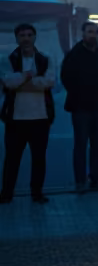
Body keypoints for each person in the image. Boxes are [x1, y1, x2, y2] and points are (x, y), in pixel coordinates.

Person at [1, 23, 56, 204]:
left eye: (29, 35)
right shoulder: (8, 58)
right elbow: (8, 82)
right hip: (15, 118)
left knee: (39, 158)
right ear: (17, 38)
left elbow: (49, 81)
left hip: (40, 117)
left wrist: (21, 83)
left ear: (34, 37)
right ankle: (7, 193)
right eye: (22, 35)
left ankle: (37, 193)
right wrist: (28, 76)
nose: (26, 38)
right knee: (12, 158)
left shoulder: (45, 59)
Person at [61, 21, 98, 192]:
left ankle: (95, 179)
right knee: (81, 144)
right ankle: (80, 181)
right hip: (80, 107)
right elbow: (66, 78)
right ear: (83, 34)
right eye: (89, 32)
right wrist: (82, 91)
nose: (93, 35)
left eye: (95, 32)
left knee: (97, 145)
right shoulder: (74, 55)